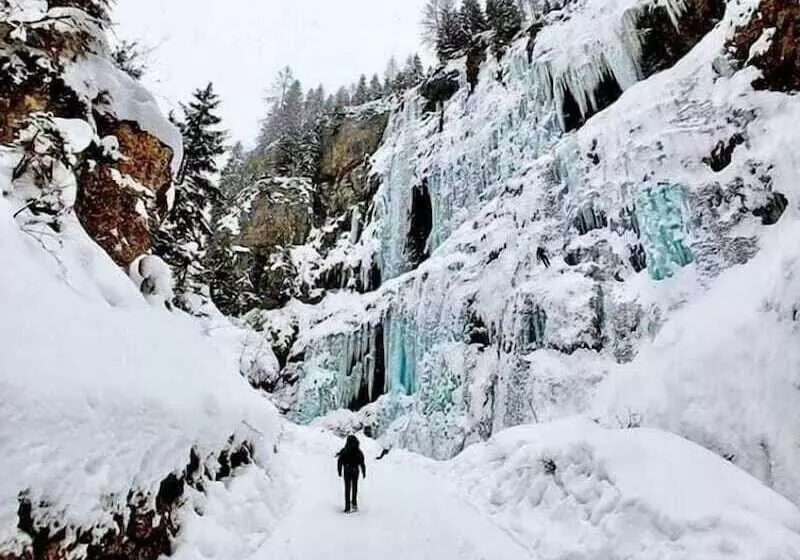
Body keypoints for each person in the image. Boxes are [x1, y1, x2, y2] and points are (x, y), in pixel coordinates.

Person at [337, 435, 366, 513]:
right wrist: (364, 472)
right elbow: (362, 462)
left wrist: (339, 471)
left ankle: (347, 508)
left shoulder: (345, 450)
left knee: (347, 488)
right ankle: (354, 504)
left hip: (347, 470)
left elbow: (339, 461)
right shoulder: (358, 451)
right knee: (355, 487)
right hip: (355, 471)